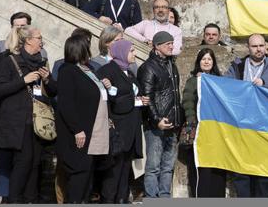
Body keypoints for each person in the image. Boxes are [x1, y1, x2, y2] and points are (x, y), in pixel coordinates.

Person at [0, 25, 54, 203]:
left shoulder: (42, 63)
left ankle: (30, 200)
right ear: (28, 40)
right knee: (23, 162)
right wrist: (23, 81)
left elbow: (54, 90)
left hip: (37, 122)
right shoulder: (9, 61)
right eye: (39, 38)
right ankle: (14, 200)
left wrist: (48, 79)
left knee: (35, 164)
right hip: (17, 123)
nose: (42, 41)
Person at [224, 34, 268, 197]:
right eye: (254, 46)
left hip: (265, 123)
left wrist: (265, 84)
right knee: (241, 167)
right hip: (242, 123)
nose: (258, 49)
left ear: (266, 47)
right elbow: (226, 86)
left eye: (261, 46)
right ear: (248, 47)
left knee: (263, 167)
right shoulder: (237, 66)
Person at [56, 34, 111, 203]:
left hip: (93, 131)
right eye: (87, 46)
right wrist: (77, 129)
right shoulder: (67, 71)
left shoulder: (88, 70)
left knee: (87, 177)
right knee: (78, 178)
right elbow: (66, 104)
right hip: (78, 133)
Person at [95, 39, 143, 203]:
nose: (135, 53)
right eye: (132, 50)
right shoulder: (107, 71)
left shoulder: (128, 71)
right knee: (114, 171)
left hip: (131, 129)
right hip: (118, 129)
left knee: (124, 169)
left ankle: (121, 199)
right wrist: (131, 99)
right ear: (122, 52)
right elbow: (109, 101)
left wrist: (140, 99)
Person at [137, 31, 182, 198]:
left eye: (172, 43)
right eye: (167, 44)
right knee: (153, 167)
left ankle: (164, 197)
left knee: (168, 167)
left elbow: (175, 96)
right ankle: (151, 197)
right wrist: (157, 121)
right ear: (157, 47)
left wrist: (178, 120)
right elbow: (147, 98)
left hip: (172, 124)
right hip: (156, 126)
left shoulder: (172, 65)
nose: (171, 46)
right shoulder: (148, 67)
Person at [180, 48, 226, 197]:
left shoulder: (220, 82)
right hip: (200, 130)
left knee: (217, 168)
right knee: (201, 168)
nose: (206, 62)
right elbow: (187, 102)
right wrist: (193, 123)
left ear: (213, 62)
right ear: (199, 62)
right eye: (203, 59)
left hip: (217, 132)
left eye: (209, 59)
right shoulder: (193, 81)